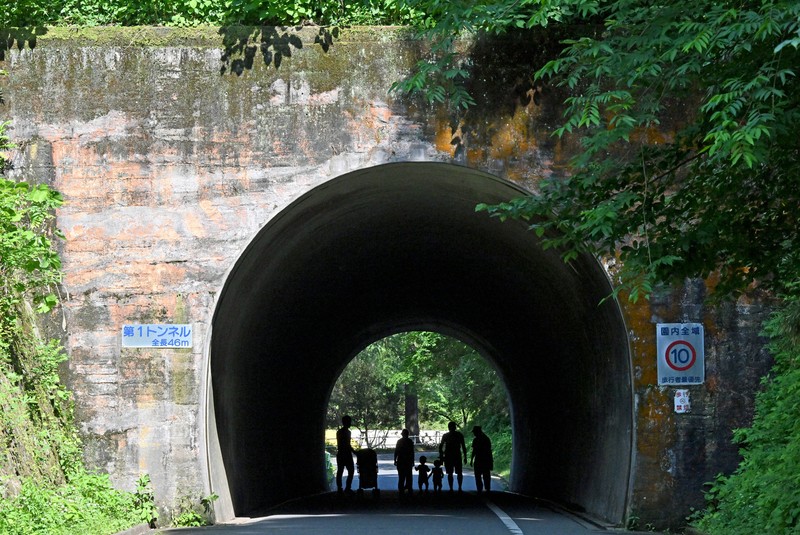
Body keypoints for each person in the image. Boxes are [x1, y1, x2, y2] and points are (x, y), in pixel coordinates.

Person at [438, 421, 467, 491]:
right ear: (455, 427)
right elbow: (463, 446)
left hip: (448, 456)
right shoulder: (459, 435)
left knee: (450, 473)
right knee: (459, 473)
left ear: (448, 427)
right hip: (457, 455)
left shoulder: (445, 436)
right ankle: (459, 487)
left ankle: (451, 488)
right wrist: (465, 457)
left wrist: (441, 456)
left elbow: (440, 446)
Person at [470, 425, 494, 493]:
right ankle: (487, 489)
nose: (473, 433)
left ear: (477, 431)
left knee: (478, 475)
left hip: (479, 459)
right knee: (486, 475)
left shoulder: (476, 440)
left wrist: (472, 460)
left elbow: (474, 450)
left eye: (474, 432)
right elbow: (489, 450)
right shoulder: (486, 438)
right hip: (486, 459)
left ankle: (480, 489)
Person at [336, 415, 355, 493]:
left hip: (340, 454)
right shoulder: (348, 432)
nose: (350, 423)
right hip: (347, 454)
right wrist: (355, 452)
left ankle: (340, 488)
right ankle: (347, 488)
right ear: (347, 422)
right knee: (351, 471)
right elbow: (347, 444)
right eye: (349, 422)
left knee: (340, 471)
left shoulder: (339, 432)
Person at [394, 428, 415, 495]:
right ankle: (409, 489)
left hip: (401, 460)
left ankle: (401, 490)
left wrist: (395, 460)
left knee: (401, 477)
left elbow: (396, 451)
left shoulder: (399, 441)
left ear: (402, 434)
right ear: (408, 434)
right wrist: (412, 461)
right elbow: (412, 452)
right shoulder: (410, 441)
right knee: (409, 476)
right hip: (408, 461)